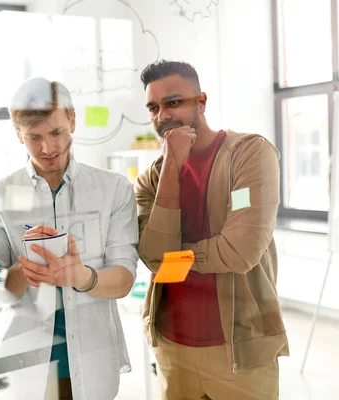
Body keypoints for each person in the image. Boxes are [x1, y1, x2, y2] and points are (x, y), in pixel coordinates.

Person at [134, 60, 289, 400]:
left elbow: (239, 252)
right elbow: (152, 258)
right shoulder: (152, 178)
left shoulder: (249, 154)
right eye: (153, 107)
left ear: (201, 102)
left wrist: (174, 260)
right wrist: (173, 166)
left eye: (173, 102)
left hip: (240, 347)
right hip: (172, 347)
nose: (162, 116)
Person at [0, 77, 139, 400]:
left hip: (94, 360)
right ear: (18, 135)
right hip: (25, 363)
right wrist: (27, 270)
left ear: (73, 121)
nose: (48, 148)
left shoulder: (113, 190)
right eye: (33, 137)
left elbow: (123, 279)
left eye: (56, 132)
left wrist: (81, 277)